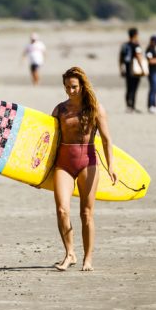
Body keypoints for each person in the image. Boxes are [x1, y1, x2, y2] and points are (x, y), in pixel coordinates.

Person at [51, 67, 117, 272]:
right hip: (63, 163)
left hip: (87, 162)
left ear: (82, 86)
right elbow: (48, 142)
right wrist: (38, 175)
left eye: (74, 87)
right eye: (67, 87)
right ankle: (70, 253)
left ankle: (88, 258)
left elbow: (106, 140)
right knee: (62, 210)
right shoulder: (60, 110)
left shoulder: (95, 108)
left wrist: (111, 166)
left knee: (86, 213)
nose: (70, 91)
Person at [119, 28, 145, 113]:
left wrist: (121, 68)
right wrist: (143, 68)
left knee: (128, 88)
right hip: (134, 69)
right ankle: (132, 106)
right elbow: (138, 57)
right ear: (135, 35)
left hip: (126, 68)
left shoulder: (124, 45)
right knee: (134, 88)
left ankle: (128, 106)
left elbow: (120, 58)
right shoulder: (136, 45)